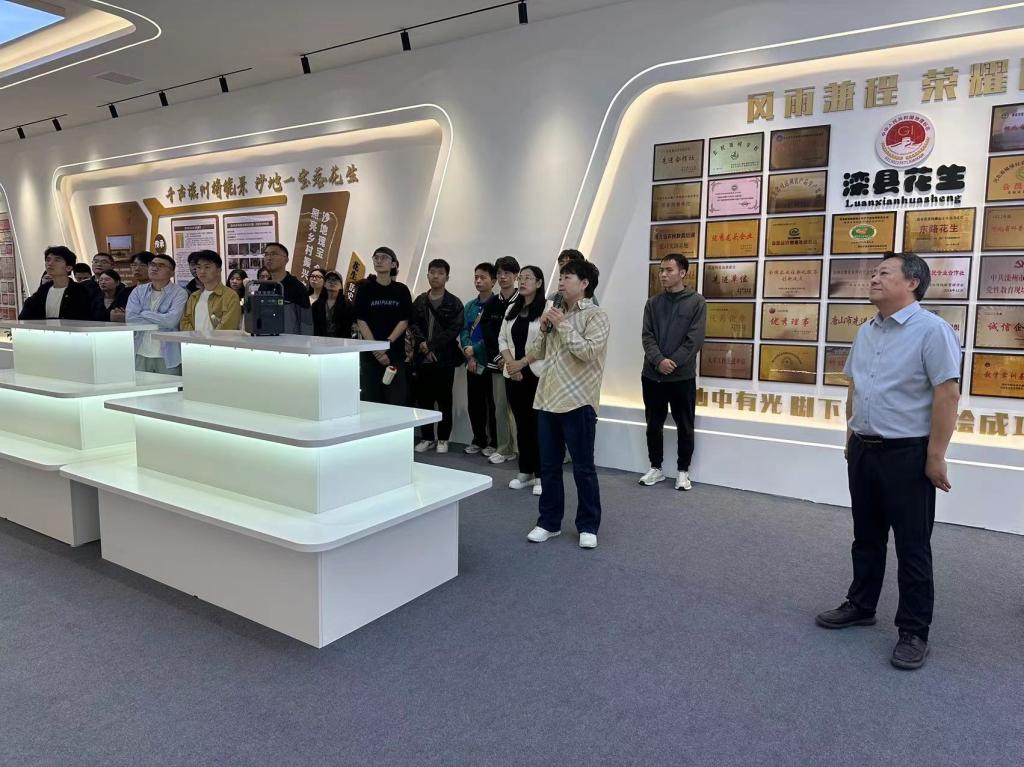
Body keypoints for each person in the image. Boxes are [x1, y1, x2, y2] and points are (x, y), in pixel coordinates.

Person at [815, 253, 961, 671]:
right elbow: (855, 386)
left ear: (912, 283)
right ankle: (861, 604)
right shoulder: (867, 330)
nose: (874, 279)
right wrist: (850, 436)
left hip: (907, 454)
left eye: (884, 273)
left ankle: (914, 631)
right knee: (866, 536)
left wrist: (935, 456)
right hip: (864, 450)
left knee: (912, 546)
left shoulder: (932, 330)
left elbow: (947, 394)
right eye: (874, 273)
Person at [525, 259, 610, 549]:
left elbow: (588, 352)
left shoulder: (596, 315)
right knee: (548, 466)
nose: (561, 282)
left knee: (583, 468)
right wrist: (544, 328)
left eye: (568, 277)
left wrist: (562, 325)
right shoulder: (554, 312)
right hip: (548, 399)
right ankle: (549, 523)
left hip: (578, 401)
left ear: (584, 284)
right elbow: (536, 352)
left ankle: (588, 525)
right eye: (561, 277)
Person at [638, 253, 706, 491]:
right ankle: (655, 467)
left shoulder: (697, 302)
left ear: (683, 273)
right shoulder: (653, 303)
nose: (663, 275)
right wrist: (659, 361)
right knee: (653, 424)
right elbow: (647, 336)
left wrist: (672, 362)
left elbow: (694, 340)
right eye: (661, 270)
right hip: (652, 375)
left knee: (684, 425)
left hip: (681, 376)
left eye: (669, 270)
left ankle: (683, 471)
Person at [499, 265, 548, 492]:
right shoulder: (512, 308)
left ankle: (541, 475)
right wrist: (511, 364)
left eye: (528, 278)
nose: (523, 281)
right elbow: (502, 339)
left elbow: (545, 343)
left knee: (539, 425)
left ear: (539, 283)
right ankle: (525, 471)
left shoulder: (548, 308)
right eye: (521, 277)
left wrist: (522, 363)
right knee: (521, 424)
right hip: (513, 374)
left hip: (536, 373)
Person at [410, 259, 464, 454]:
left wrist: (431, 346)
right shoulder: (420, 301)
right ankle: (427, 438)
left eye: (440, 273)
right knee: (424, 401)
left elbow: (454, 329)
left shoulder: (454, 302)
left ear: (447, 277)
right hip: (422, 360)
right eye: (432, 272)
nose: (435, 276)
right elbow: (413, 323)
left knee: (444, 401)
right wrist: (423, 345)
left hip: (445, 360)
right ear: (427, 275)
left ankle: (443, 439)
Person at [354, 246, 413, 406]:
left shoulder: (401, 290)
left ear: (393, 264)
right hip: (370, 355)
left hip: (394, 354)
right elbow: (361, 320)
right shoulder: (365, 289)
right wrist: (376, 349)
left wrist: (386, 345)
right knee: (370, 401)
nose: (379, 261)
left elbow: (404, 320)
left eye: (384, 258)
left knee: (395, 401)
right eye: (376, 257)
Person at [480, 256, 521, 464]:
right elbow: (488, 334)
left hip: (521, 364)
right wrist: (499, 358)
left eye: (507, 273)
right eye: (500, 273)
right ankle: (505, 449)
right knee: (500, 408)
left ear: (516, 276)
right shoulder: (492, 303)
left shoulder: (524, 300)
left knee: (522, 409)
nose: (503, 277)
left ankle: (526, 451)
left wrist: (516, 360)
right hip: (498, 363)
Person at [125, 253, 188, 374]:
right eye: (152, 265)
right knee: (141, 385)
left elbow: (171, 321)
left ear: (172, 273)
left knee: (170, 386)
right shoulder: (138, 291)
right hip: (140, 351)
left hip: (168, 354)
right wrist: (161, 318)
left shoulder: (179, 293)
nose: (154, 268)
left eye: (161, 266)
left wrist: (144, 313)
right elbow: (131, 320)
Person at [460, 262, 498, 456]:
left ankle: (495, 443)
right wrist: (468, 351)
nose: (478, 281)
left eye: (483, 277)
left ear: (493, 280)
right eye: (476, 277)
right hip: (472, 363)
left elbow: (494, 336)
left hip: (491, 363)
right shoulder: (470, 306)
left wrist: (474, 349)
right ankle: (478, 440)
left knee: (493, 405)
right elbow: (464, 331)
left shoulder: (498, 304)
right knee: (474, 404)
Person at [19, 246, 93, 321]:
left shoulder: (79, 291)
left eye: (57, 260)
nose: (50, 263)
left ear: (69, 267)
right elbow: (26, 315)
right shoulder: (43, 289)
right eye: (48, 260)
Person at [179, 250, 241, 332]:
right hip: (194, 340)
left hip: (219, 340)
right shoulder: (194, 296)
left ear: (218, 270)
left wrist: (207, 339)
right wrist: (195, 337)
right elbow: (184, 322)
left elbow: (228, 326)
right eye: (199, 267)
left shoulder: (230, 296)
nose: (202, 271)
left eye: (207, 267)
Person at [261, 243, 312, 334]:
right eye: (266, 254)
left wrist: (305, 341)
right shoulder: (263, 286)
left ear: (286, 260)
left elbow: (306, 322)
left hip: (290, 340)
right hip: (266, 338)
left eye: (273, 254)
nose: (269, 258)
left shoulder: (297, 287)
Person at [312, 271, 353, 338]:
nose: (332, 282)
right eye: (329, 279)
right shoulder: (316, 305)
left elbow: (347, 329)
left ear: (341, 286)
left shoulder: (347, 305)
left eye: (335, 279)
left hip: (339, 342)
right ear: (324, 284)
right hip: (318, 341)